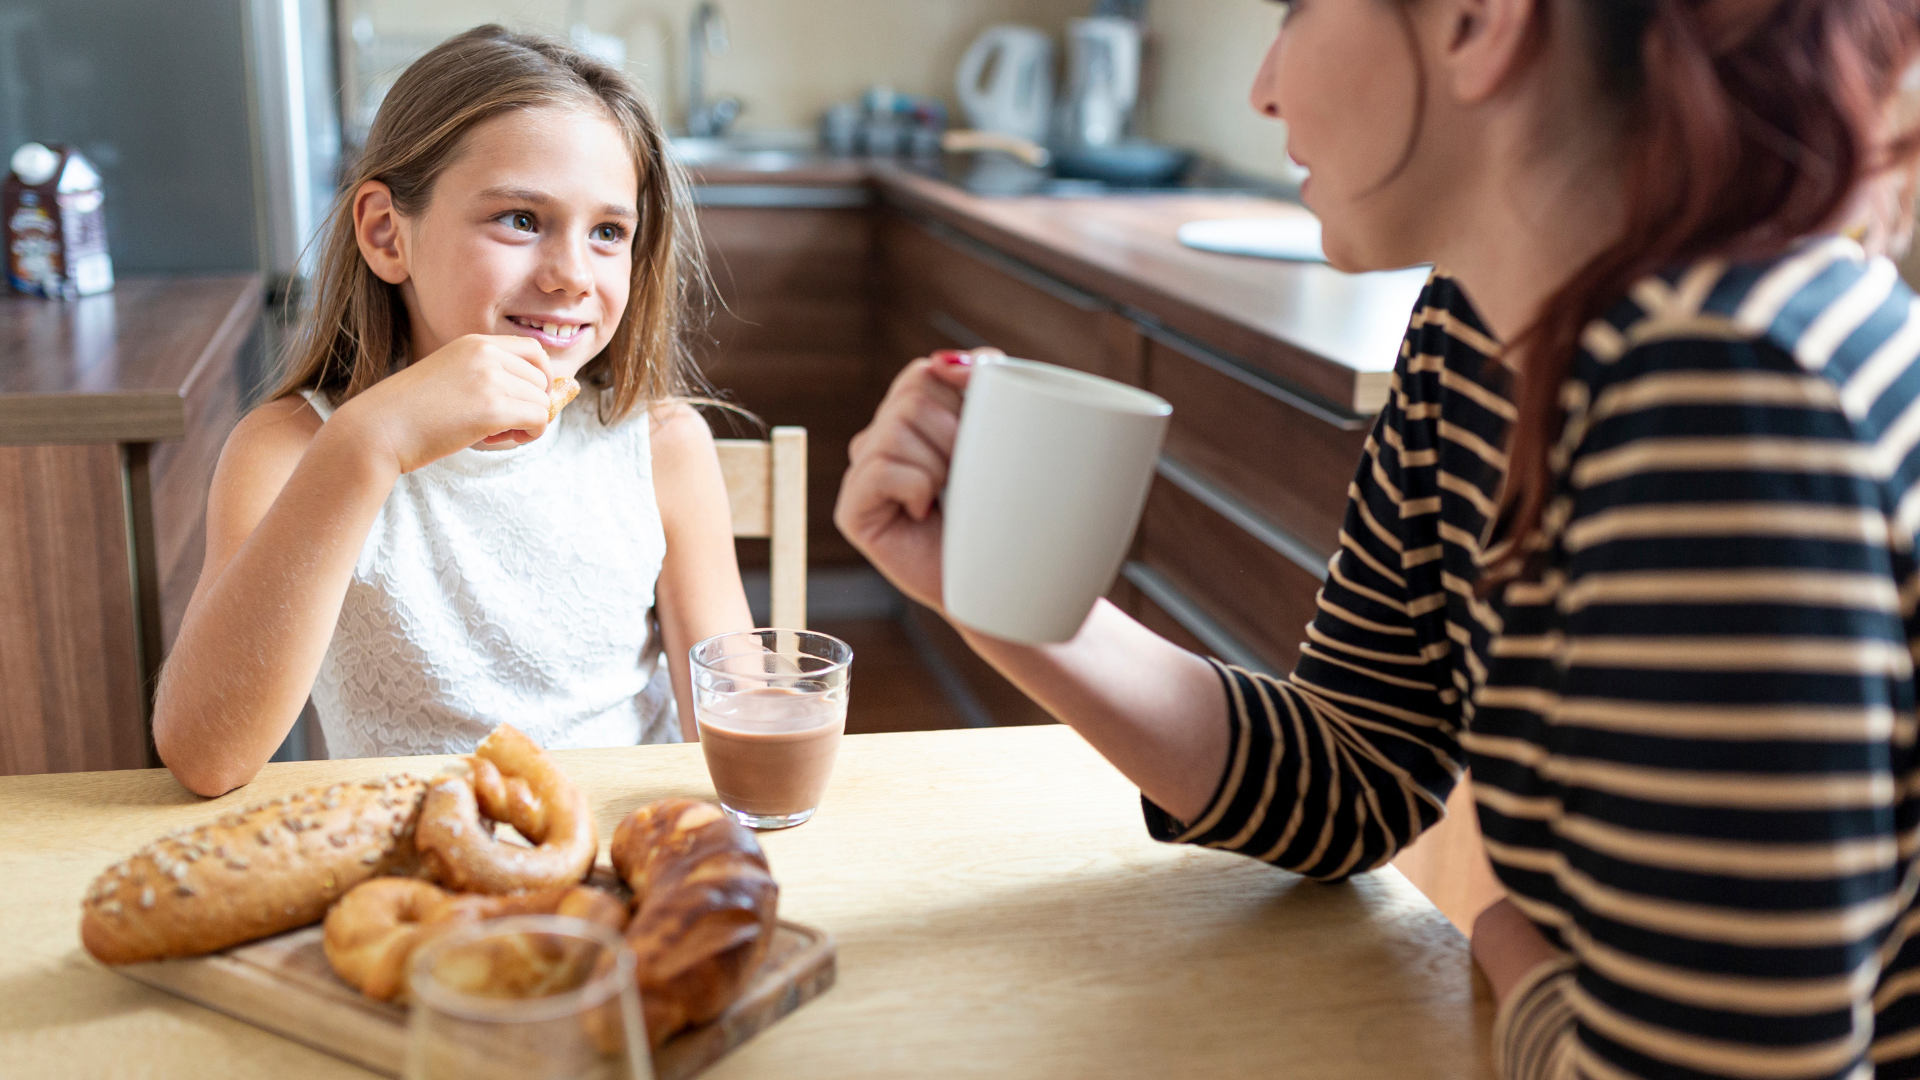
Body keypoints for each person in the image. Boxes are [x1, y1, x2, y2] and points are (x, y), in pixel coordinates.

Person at [837, 1, 1920, 1076]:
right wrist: (1001, 594)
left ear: (1474, 22)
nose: (1263, 85)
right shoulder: (1477, 326)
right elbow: (1356, 774)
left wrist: (1519, 968)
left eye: (1298, 11)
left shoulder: (1721, 399)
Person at [154, 26, 752, 797]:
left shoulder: (661, 445)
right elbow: (206, 757)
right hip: (407, 879)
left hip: (617, 865)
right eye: (521, 220)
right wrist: (368, 441)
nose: (573, 274)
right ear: (385, 234)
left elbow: (739, 716)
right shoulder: (289, 449)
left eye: (608, 232)